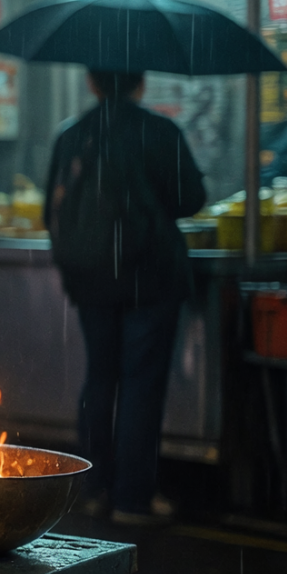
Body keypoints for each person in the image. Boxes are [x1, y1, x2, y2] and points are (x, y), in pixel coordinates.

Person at [46, 69, 206, 525]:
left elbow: (49, 210)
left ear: (92, 83)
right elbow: (192, 197)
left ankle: (94, 488)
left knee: (100, 378)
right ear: (141, 83)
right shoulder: (159, 131)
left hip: (91, 279)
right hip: (150, 278)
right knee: (141, 383)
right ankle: (133, 499)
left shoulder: (73, 135)